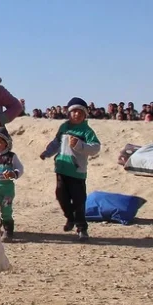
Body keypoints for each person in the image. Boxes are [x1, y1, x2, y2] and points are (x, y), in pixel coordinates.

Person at [41, 98, 101, 242]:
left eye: (80, 112)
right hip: (62, 168)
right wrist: (47, 152)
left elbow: (95, 148)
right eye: (74, 111)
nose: (76, 114)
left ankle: (82, 229)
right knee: (61, 195)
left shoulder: (87, 131)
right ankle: (70, 218)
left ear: (84, 114)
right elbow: (56, 142)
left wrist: (79, 145)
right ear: (69, 113)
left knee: (79, 200)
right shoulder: (64, 127)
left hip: (77, 171)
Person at [0, 126, 24, 242]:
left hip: (6, 189)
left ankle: (8, 231)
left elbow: (20, 168)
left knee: (6, 209)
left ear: (6, 143)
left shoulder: (11, 156)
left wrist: (14, 174)